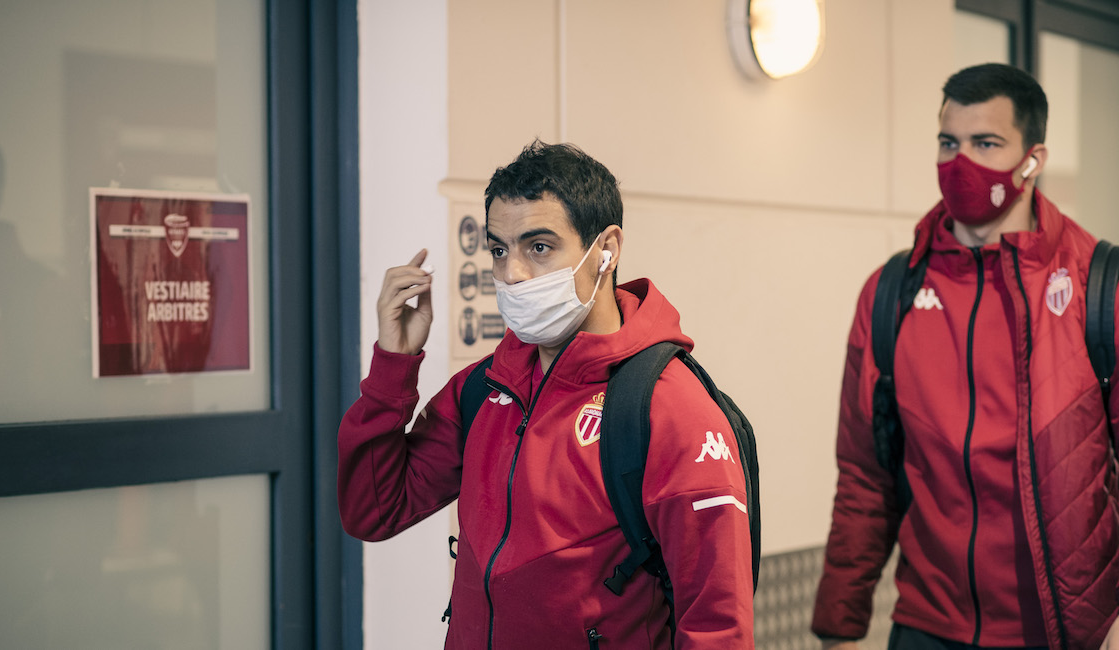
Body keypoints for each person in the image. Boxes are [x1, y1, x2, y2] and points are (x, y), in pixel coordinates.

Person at [338, 141, 753, 648]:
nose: (512, 273)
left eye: (538, 247)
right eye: (499, 250)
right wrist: (393, 365)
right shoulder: (485, 388)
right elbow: (374, 510)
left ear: (606, 249)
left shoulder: (667, 407)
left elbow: (716, 626)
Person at [811, 63, 1119, 650]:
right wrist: (838, 627)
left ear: (1032, 159)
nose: (961, 162)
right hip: (926, 627)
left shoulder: (1097, 286)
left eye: (986, 143)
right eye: (949, 142)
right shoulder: (891, 293)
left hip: (1061, 630)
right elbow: (864, 476)